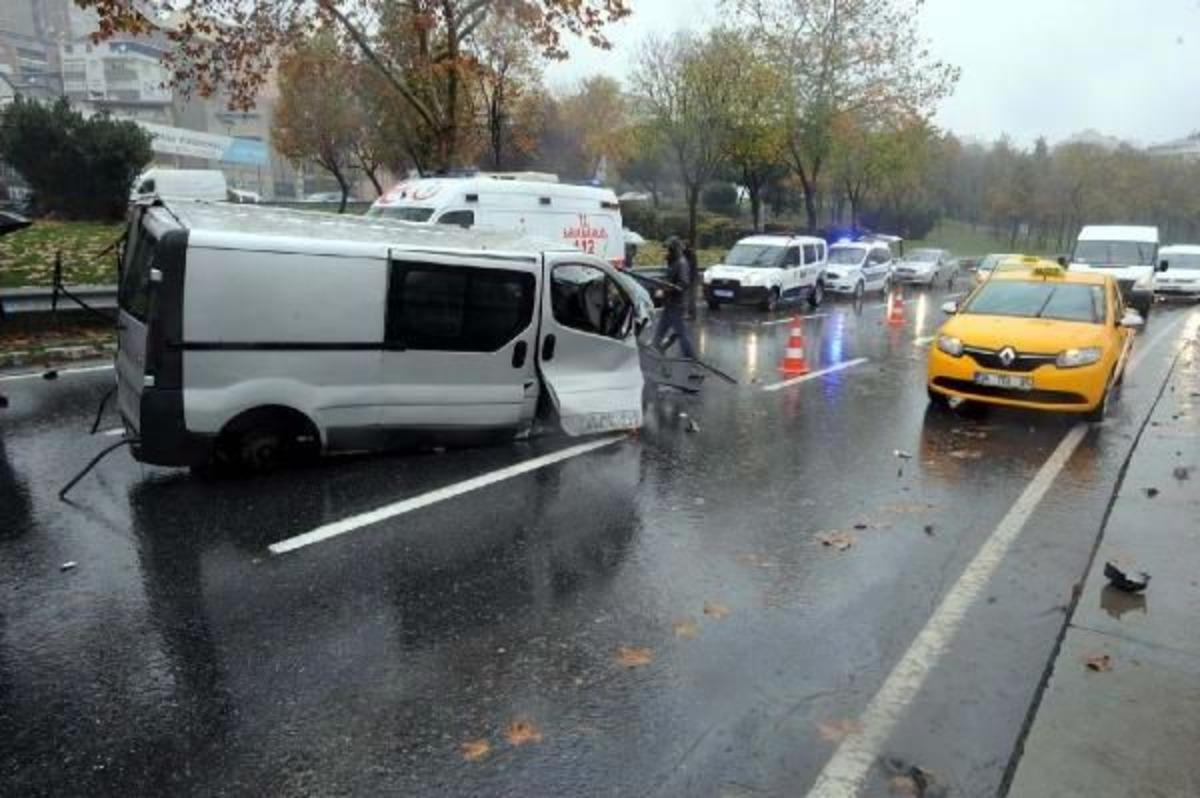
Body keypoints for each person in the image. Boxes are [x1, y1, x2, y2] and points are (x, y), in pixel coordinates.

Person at [653, 237, 696, 358]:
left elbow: (683, 284)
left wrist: (664, 290)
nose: (664, 253)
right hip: (669, 304)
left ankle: (692, 361)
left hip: (676, 305)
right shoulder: (673, 263)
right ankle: (652, 353)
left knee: (682, 335)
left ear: (673, 250)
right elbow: (671, 280)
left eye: (666, 250)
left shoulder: (681, 263)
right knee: (660, 332)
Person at [683, 242, 699, 319]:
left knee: (691, 297)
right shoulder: (690, 254)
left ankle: (691, 314)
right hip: (692, 278)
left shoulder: (690, 255)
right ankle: (691, 314)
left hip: (691, 278)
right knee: (690, 297)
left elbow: (689, 267)